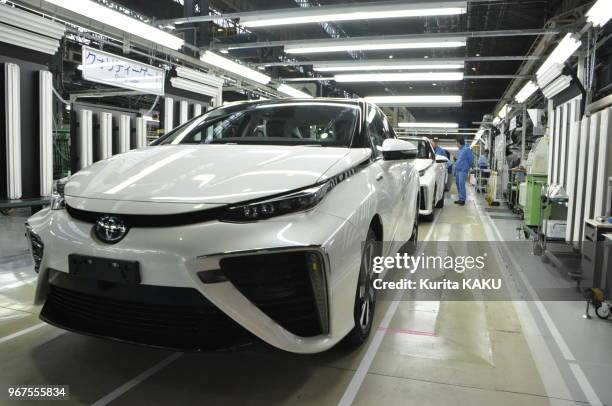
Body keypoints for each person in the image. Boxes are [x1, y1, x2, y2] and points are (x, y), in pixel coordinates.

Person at [454, 136, 473, 206]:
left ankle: (462, 199)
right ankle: (460, 198)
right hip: (458, 170)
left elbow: (471, 159)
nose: (456, 144)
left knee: (461, 184)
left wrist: (468, 167)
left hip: (463, 170)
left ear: (459, 143)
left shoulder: (466, 149)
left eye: (456, 142)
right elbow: (460, 160)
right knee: (458, 184)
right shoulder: (460, 150)